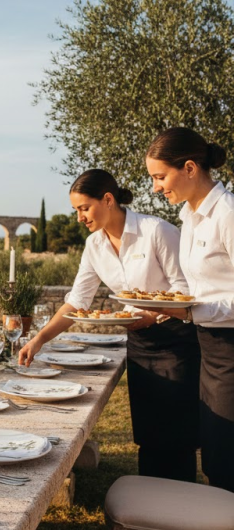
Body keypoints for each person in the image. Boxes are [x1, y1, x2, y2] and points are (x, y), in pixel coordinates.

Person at [18, 169, 201, 483]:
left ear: (108, 199)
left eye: (84, 208)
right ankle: (151, 504)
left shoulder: (157, 231)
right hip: (140, 343)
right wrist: (39, 340)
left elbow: (185, 292)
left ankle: (181, 504)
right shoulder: (94, 245)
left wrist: (153, 315)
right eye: (75, 210)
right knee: (148, 434)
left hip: (177, 340)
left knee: (176, 438)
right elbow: (77, 302)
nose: (79, 217)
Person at [143, 127, 234, 492]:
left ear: (191, 168)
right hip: (207, 348)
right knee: (214, 455)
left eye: (160, 177)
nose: (155, 188)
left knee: (227, 461)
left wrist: (194, 312)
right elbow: (198, 286)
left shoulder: (228, 214)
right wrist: (171, 305)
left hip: (231, 350)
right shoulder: (189, 216)